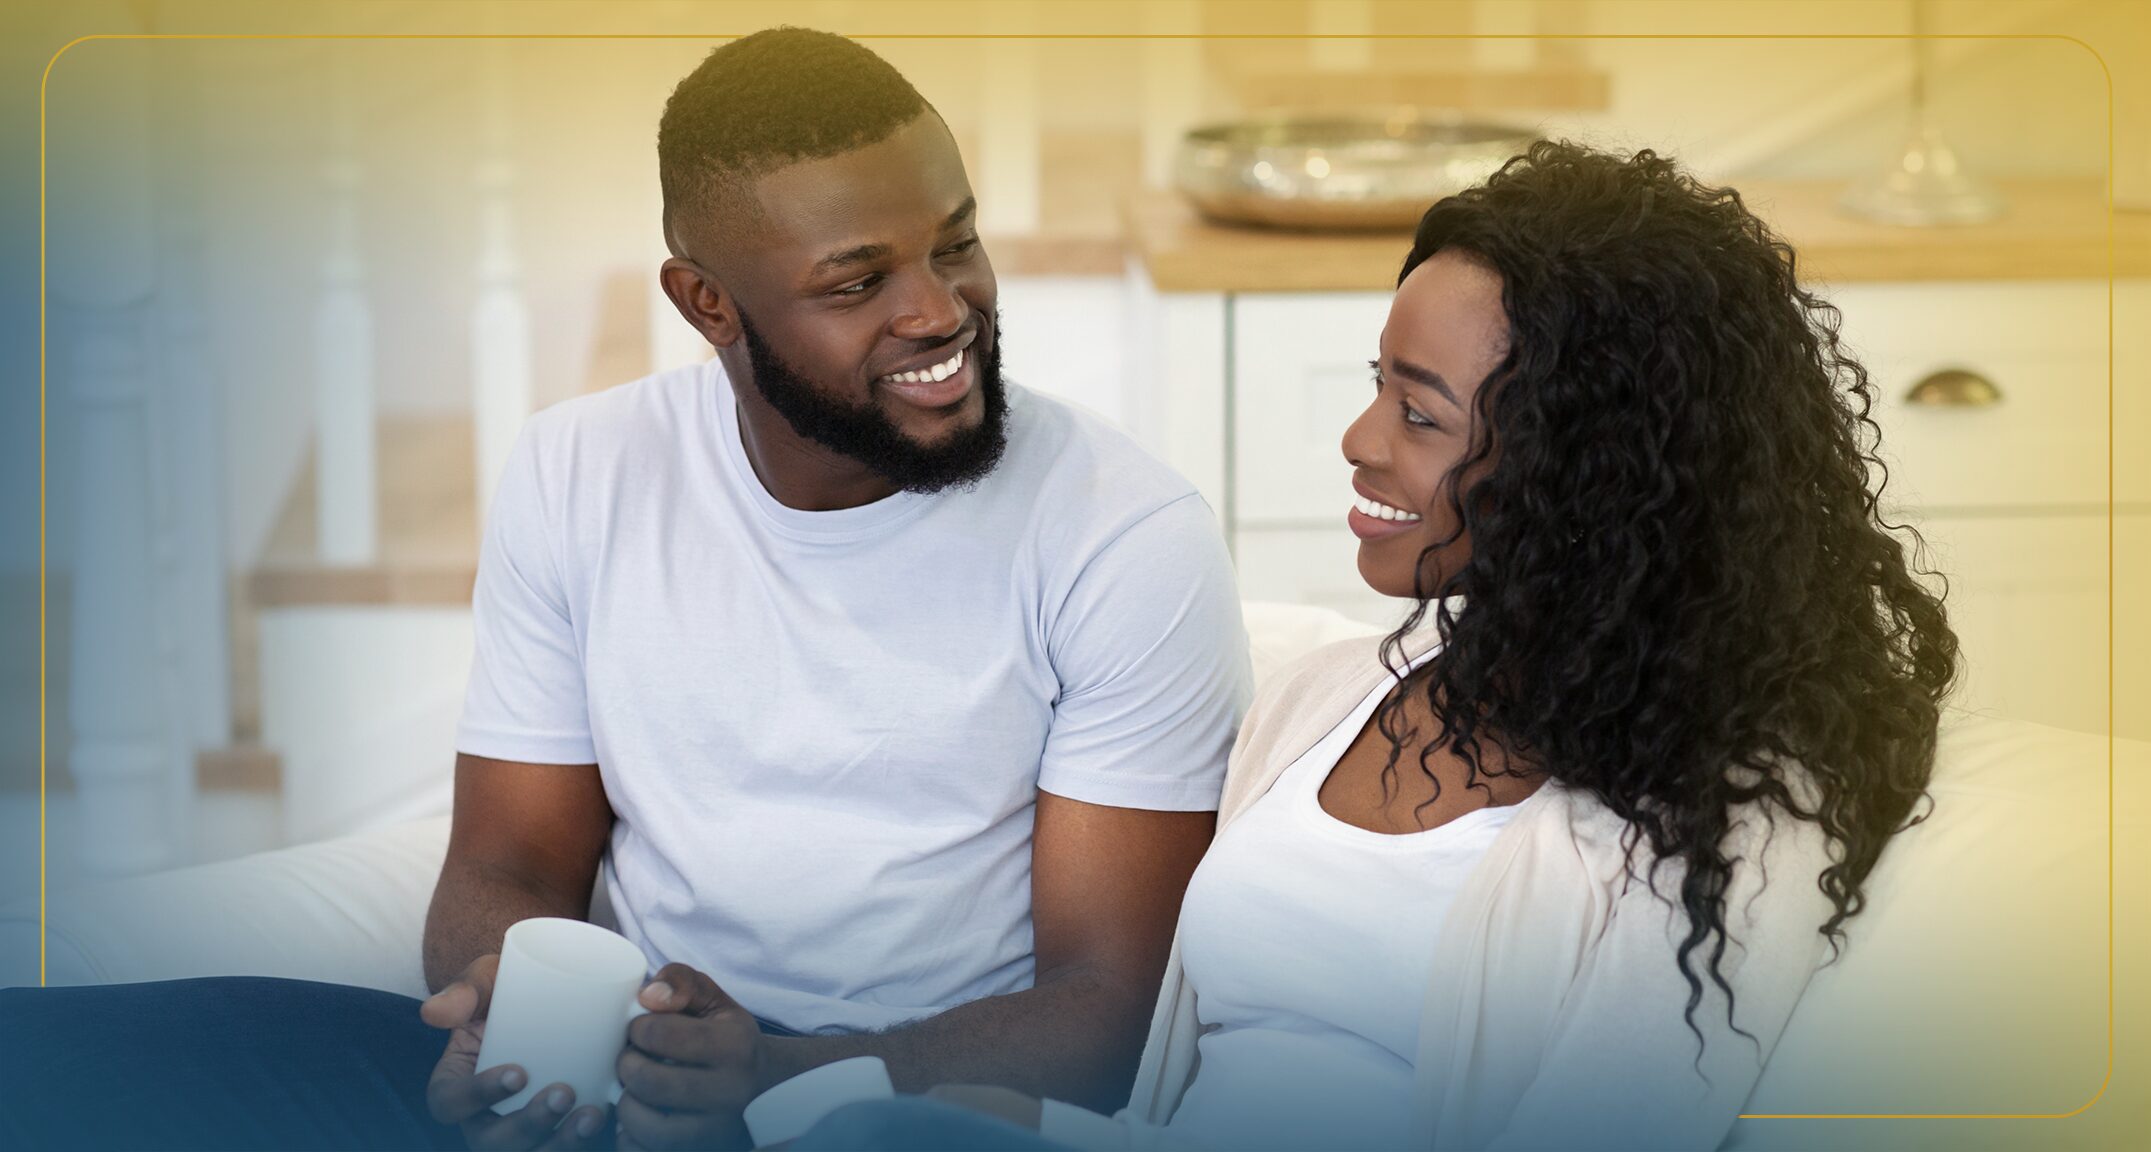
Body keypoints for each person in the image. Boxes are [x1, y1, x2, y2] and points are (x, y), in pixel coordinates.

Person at [0, 28, 1249, 1152]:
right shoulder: (580, 469)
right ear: (707, 303)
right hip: (621, 1081)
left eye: (957, 243)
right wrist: (514, 1024)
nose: (942, 311)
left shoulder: (1121, 535)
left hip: (886, 1108)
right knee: (51, 1057)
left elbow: (1103, 1018)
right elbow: (510, 864)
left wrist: (764, 1073)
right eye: (858, 282)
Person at [790, 140, 1960, 1151]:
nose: (1359, 440)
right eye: (1375, 388)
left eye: (1420, 413)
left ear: (1581, 474)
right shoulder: (1328, 698)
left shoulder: (1734, 819)